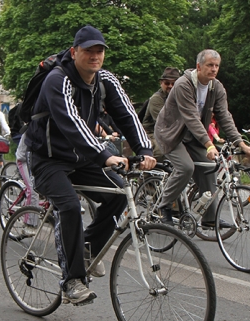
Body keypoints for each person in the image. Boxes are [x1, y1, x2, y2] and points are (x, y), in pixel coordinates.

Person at [25, 25, 156, 304]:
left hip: (82, 158)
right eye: (88, 51)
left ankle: (86, 248)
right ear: (74, 52)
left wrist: (144, 149)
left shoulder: (105, 79)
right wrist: (104, 153)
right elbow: (71, 123)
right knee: (70, 206)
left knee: (118, 194)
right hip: (48, 159)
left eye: (100, 51)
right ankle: (72, 280)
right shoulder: (57, 79)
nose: (95, 56)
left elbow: (127, 114)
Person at [154, 49, 250, 228]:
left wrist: (241, 143)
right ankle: (164, 207)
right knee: (186, 167)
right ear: (199, 66)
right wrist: (209, 145)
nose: (214, 69)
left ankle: (209, 218)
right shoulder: (183, 84)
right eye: (210, 65)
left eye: (217, 66)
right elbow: (191, 117)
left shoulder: (216, 87)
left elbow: (224, 117)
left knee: (210, 167)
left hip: (193, 136)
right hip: (170, 134)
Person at [142, 67, 180, 161]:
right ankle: (147, 174)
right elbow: (164, 123)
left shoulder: (181, 97)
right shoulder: (156, 99)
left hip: (171, 132)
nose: (170, 86)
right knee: (160, 151)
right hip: (152, 132)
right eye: (167, 83)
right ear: (161, 83)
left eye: (173, 83)